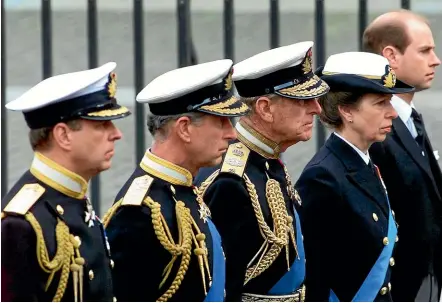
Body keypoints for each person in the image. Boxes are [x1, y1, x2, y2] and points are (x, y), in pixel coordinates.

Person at [103, 59, 249, 302]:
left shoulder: (182, 187)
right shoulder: (139, 210)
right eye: (221, 121)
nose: (232, 133)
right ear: (184, 129)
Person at [194, 41, 330, 302]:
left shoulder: (267, 158)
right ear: (265, 108)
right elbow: (223, 287)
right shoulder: (230, 180)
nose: (317, 108)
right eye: (303, 100)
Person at [1, 62, 131, 302]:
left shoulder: (71, 197)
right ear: (63, 135)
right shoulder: (21, 223)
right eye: (102, 124)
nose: (116, 133)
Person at [295, 52, 415, 301]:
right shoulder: (323, 177)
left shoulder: (366, 163)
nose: (392, 113)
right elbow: (315, 277)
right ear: (347, 111)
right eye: (381, 103)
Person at [363, 10, 442, 302]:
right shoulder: (379, 132)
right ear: (391, 56)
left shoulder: (410, 121)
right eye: (424, 51)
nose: (436, 60)